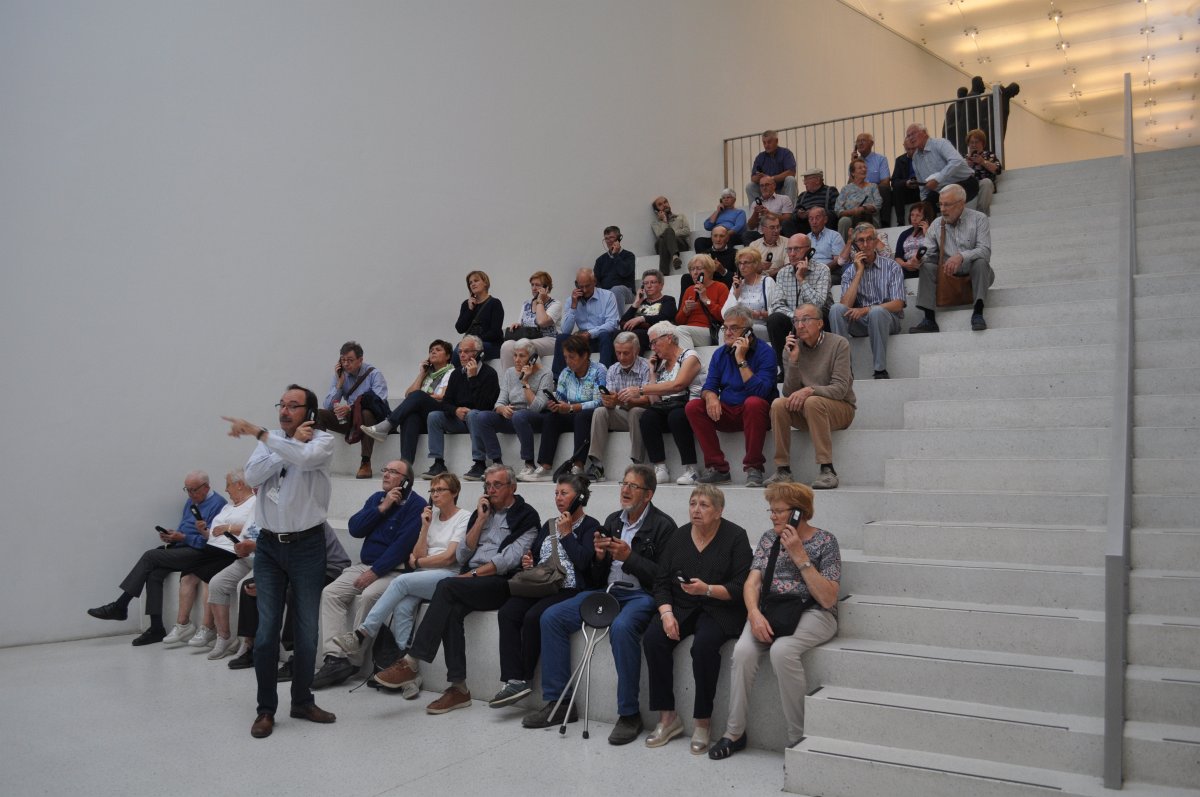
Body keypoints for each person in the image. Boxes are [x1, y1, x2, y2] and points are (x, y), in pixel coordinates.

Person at [525, 464, 677, 744]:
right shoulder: (613, 520)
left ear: (648, 494)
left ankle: (629, 714)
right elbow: (597, 575)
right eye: (624, 484)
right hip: (607, 591)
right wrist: (598, 557)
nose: (625, 490)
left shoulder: (663, 526)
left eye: (633, 486)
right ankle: (559, 703)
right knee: (552, 617)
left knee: (622, 627)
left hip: (641, 595)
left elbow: (664, 578)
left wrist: (630, 558)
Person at [372, 465, 540, 714]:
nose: (491, 490)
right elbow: (462, 554)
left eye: (497, 485)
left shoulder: (526, 516)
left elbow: (507, 561)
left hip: (501, 582)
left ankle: (411, 661)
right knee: (450, 611)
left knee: (447, 586)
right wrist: (480, 520)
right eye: (487, 485)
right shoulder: (481, 513)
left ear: (512, 487)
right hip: (471, 579)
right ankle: (458, 688)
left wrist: (469, 576)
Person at [222, 384, 337, 739]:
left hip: (308, 546)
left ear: (309, 413)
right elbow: (252, 477)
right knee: (267, 631)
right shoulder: (270, 441)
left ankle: (302, 700)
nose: (284, 411)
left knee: (306, 631)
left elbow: (305, 459)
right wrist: (279, 447)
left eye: (293, 406)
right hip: (270, 546)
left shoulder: (323, 441)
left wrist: (266, 438)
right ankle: (265, 709)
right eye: (282, 405)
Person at [709, 482, 840, 758]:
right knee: (742, 652)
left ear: (798, 512)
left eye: (778, 511)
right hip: (771, 611)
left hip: (813, 613)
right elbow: (751, 583)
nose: (772, 516)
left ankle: (798, 739)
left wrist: (800, 555)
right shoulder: (769, 539)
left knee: (782, 651)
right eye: (771, 510)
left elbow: (828, 598)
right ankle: (734, 733)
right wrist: (754, 614)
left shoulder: (826, 542)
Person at [326, 472, 470, 697]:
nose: (435, 494)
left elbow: (449, 558)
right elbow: (418, 552)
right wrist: (425, 527)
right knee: (402, 608)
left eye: (440, 490)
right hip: (423, 575)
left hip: (446, 576)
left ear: (455, 492)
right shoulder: (430, 517)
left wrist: (420, 562)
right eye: (432, 490)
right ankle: (407, 672)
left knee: (401, 581)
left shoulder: (464, 517)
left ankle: (362, 632)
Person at [641, 485, 750, 755]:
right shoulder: (679, 536)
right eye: (692, 504)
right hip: (682, 606)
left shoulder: (736, 536)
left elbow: (741, 587)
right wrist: (666, 614)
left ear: (719, 511)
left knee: (703, 646)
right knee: (654, 637)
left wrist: (707, 589)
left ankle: (702, 722)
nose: (696, 510)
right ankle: (668, 718)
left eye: (704, 505)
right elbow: (661, 582)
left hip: (720, 608)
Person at [310, 458, 426, 688]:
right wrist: (382, 508)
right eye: (385, 470)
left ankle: (353, 660)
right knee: (331, 593)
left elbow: (401, 547)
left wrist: (374, 572)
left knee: (368, 596)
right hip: (365, 565)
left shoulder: (417, 505)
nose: (386, 474)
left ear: (406, 481)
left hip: (394, 571)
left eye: (393, 472)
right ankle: (335, 658)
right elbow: (355, 528)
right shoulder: (377, 499)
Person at [488, 474, 600, 708]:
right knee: (508, 612)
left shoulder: (591, 526)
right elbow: (538, 557)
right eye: (556, 493)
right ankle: (512, 679)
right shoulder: (549, 525)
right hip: (543, 585)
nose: (558, 498)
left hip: (569, 588)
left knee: (533, 616)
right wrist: (529, 562)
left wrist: (567, 534)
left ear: (580, 498)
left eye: (564, 493)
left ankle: (524, 677)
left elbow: (584, 563)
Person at [87, 471, 228, 646]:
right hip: (183, 548)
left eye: (194, 490)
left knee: (150, 556)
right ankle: (156, 627)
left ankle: (120, 606)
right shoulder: (191, 502)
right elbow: (185, 527)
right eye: (187, 490)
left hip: (201, 553)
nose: (190, 494)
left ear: (206, 487)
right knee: (154, 573)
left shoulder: (219, 504)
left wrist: (183, 538)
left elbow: (211, 540)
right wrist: (172, 536)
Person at [223, 525, 351, 672]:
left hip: (328, 568)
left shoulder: (307, 521)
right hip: (297, 568)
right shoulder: (277, 522)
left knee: (295, 592)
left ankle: (299, 658)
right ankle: (253, 647)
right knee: (248, 586)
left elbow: (303, 559)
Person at [165, 470, 259, 652]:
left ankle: (208, 628)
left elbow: (254, 527)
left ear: (240, 485)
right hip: (212, 547)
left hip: (229, 551)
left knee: (209, 577)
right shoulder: (228, 507)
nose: (226, 489)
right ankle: (182, 625)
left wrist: (228, 528)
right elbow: (214, 534)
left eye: (228, 485)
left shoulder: (254, 503)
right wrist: (204, 531)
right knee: (187, 575)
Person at [684, 304, 777, 487]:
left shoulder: (766, 352)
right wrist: (711, 397)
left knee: (754, 403)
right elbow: (709, 386)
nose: (727, 333)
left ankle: (754, 467)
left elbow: (761, 392)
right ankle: (718, 469)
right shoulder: (720, 354)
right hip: (728, 413)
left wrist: (741, 359)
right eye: (725, 328)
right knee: (693, 406)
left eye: (734, 328)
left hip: (757, 416)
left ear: (748, 331)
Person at [767, 304, 856, 490]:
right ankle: (783, 469)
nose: (800, 325)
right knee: (778, 404)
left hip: (840, 409)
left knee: (812, 401)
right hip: (808, 411)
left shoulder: (839, 344)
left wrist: (809, 390)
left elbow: (840, 389)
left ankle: (827, 469)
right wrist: (793, 361)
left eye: (806, 320)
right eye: (796, 321)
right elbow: (789, 393)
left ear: (820, 323)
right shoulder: (790, 349)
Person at [514, 334, 606, 482]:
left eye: (572, 357)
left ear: (585, 355)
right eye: (565, 357)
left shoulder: (599, 370)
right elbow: (561, 397)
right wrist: (556, 405)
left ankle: (578, 465)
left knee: (582, 416)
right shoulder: (566, 373)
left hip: (592, 414)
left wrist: (572, 407)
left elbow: (599, 402)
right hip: (571, 411)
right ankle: (545, 466)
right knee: (551, 417)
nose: (568, 361)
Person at [910, 184, 994, 333]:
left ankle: (978, 312)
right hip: (947, 276)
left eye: (947, 204)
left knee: (981, 262)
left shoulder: (979, 219)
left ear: (961, 203)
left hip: (974, 274)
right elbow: (929, 253)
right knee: (926, 266)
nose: (942, 209)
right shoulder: (936, 224)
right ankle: (929, 319)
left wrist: (961, 256)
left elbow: (985, 251)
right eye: (940, 204)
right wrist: (918, 261)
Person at [468, 338, 555, 477]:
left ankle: (529, 463)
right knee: (482, 416)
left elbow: (537, 407)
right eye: (515, 355)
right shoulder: (510, 372)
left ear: (532, 358)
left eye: (522, 356)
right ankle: (497, 463)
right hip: (513, 417)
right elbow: (499, 401)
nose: (517, 360)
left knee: (520, 416)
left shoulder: (546, 373)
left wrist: (525, 382)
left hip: (534, 418)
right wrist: (502, 409)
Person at [829, 223, 906, 380]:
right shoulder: (850, 272)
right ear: (855, 245)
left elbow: (898, 303)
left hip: (887, 319)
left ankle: (880, 370)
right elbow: (845, 305)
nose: (865, 244)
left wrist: (867, 309)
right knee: (836, 309)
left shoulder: (892, 266)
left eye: (869, 239)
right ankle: (844, 370)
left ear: (876, 241)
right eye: (861, 240)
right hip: (862, 321)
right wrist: (859, 272)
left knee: (876, 312)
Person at [634, 322, 706, 486]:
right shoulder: (661, 365)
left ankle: (692, 469)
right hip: (668, 407)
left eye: (654, 342)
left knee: (676, 416)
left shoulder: (690, 356)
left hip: (689, 406)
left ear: (668, 338)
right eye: (651, 344)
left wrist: (641, 389)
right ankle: (660, 467)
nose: (653, 348)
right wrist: (652, 372)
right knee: (647, 416)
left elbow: (678, 385)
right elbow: (655, 401)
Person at [359, 339, 454, 463]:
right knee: (410, 416)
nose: (433, 352)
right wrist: (422, 374)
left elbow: (443, 396)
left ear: (448, 356)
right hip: (425, 416)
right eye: (431, 350)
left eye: (438, 350)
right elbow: (408, 394)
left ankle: (388, 424)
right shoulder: (427, 375)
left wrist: (423, 397)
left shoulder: (452, 372)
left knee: (418, 395)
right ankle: (405, 464)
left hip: (440, 414)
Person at [421, 335, 501, 480]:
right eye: (460, 352)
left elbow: (485, 406)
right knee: (434, 416)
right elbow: (446, 403)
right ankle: (438, 463)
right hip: (459, 419)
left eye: (467, 351)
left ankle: (480, 463)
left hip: (477, 420)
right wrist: (455, 410)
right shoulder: (456, 373)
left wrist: (473, 378)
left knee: (474, 414)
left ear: (478, 354)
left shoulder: (489, 374)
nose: (462, 355)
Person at [583, 331, 653, 481]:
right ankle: (597, 464)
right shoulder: (613, 369)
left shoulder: (646, 366)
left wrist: (620, 401)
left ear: (636, 351)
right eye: (618, 353)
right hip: (621, 415)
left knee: (635, 411)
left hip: (643, 415)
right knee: (600, 411)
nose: (621, 357)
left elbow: (648, 399)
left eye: (626, 353)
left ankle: (638, 464)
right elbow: (610, 399)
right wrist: (608, 400)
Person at [316, 341, 389, 479]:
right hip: (352, 418)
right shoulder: (341, 376)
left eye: (350, 360)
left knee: (366, 413)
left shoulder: (374, 374)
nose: (346, 364)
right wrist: (339, 384)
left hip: (373, 419)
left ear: (360, 360)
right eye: (343, 360)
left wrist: (350, 408)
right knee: (320, 414)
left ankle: (365, 463)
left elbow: (379, 401)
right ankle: (318, 460)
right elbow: (328, 406)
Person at [766, 234, 832, 374]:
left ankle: (820, 369)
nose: (792, 254)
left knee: (817, 318)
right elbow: (777, 304)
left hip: (817, 318)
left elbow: (819, 304)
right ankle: (785, 370)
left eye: (796, 249)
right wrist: (796, 318)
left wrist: (802, 280)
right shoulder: (783, 273)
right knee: (774, 319)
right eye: (789, 250)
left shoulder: (822, 270)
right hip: (793, 318)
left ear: (809, 251)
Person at [553, 267, 619, 374]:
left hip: (600, 337)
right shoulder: (571, 300)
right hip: (582, 340)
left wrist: (590, 334)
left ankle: (604, 374)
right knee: (561, 338)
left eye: (587, 286)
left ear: (594, 282)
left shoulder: (608, 296)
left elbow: (612, 324)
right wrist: (573, 306)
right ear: (576, 285)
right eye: (580, 286)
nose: (584, 290)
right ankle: (558, 378)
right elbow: (565, 330)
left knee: (605, 335)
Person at [498, 271, 564, 371]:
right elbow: (522, 323)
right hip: (528, 338)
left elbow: (541, 322)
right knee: (507, 346)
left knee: (525, 345)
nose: (534, 288)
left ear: (546, 287)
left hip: (549, 339)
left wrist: (540, 301)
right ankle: (510, 378)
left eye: (537, 285)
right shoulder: (527, 304)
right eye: (532, 285)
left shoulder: (555, 304)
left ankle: (532, 378)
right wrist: (517, 325)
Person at [905, 123, 978, 207]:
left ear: (924, 133)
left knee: (948, 198)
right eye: (908, 136)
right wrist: (924, 204)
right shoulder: (915, 158)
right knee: (925, 208)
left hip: (965, 182)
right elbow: (923, 188)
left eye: (913, 133)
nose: (911, 138)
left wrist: (937, 179)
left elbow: (956, 161)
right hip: (942, 190)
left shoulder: (940, 143)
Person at [674, 255, 729, 349]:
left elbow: (725, 317)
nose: (695, 273)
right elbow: (679, 321)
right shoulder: (689, 289)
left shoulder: (721, 287)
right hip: (689, 331)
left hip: (711, 331)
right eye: (692, 269)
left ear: (709, 270)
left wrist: (706, 300)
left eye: (699, 269)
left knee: (680, 330)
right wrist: (685, 310)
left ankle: (689, 357)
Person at [724, 248, 776, 341]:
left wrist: (759, 315)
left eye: (746, 263)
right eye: (740, 263)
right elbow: (725, 314)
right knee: (723, 331)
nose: (742, 267)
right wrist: (736, 294)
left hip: (760, 325)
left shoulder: (768, 282)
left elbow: (777, 310)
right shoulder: (737, 284)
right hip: (738, 326)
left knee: (741, 330)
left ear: (756, 264)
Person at [619, 269, 677, 352]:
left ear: (661, 285)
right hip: (636, 333)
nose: (649, 286)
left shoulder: (668, 300)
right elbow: (623, 322)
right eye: (646, 283)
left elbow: (665, 317)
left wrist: (641, 319)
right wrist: (636, 303)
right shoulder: (640, 302)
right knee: (615, 334)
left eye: (652, 282)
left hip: (654, 335)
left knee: (635, 336)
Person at [455, 270, 505, 361]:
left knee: (470, 351)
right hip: (469, 345)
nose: (473, 284)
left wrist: (474, 341)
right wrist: (470, 310)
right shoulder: (466, 304)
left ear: (485, 283)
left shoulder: (495, 303)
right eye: (470, 283)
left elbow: (495, 332)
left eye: (476, 281)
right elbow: (460, 328)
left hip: (491, 344)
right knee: (456, 352)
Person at [834, 158, 883, 241]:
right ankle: (843, 246)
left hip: (869, 217)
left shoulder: (873, 186)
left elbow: (878, 204)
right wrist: (852, 212)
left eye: (865, 167)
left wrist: (864, 208)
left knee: (865, 217)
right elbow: (838, 209)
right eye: (860, 168)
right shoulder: (846, 189)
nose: (864, 169)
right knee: (844, 221)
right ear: (853, 173)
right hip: (851, 218)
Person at [746, 130, 798, 203]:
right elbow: (753, 178)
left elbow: (791, 172)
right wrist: (760, 178)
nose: (766, 145)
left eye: (769, 142)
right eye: (764, 143)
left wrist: (771, 178)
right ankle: (758, 209)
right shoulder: (760, 157)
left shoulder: (786, 153)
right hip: (766, 191)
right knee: (750, 186)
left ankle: (790, 209)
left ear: (776, 141)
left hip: (783, 190)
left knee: (790, 179)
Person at [853, 131, 892, 226]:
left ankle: (884, 223)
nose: (860, 143)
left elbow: (886, 182)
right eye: (858, 141)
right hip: (859, 192)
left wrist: (870, 190)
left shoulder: (880, 159)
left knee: (884, 189)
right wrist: (853, 164)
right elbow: (850, 184)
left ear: (871, 143)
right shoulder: (854, 163)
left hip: (876, 191)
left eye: (863, 140)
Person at [595, 226, 637, 309]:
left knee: (616, 290)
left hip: (625, 292)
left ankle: (617, 318)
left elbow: (624, 272)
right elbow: (596, 280)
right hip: (607, 293)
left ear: (619, 238)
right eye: (606, 238)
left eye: (611, 237)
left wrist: (615, 255)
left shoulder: (629, 256)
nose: (609, 241)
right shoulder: (600, 260)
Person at [787, 168, 838, 236]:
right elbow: (794, 215)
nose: (804, 183)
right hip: (806, 225)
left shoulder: (831, 191)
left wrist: (817, 212)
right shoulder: (802, 195)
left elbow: (836, 212)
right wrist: (799, 215)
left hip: (823, 224)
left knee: (825, 216)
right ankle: (796, 241)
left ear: (817, 180)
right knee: (787, 223)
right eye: (804, 180)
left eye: (807, 179)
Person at [893, 201, 936, 279]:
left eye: (918, 215)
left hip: (925, 266)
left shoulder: (933, 232)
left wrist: (927, 233)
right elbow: (898, 256)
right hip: (906, 268)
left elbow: (935, 251)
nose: (914, 218)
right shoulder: (904, 234)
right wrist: (905, 264)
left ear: (926, 218)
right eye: (912, 215)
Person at [965, 128, 1003, 216]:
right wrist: (966, 166)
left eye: (976, 142)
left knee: (986, 182)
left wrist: (983, 162)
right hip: (968, 185)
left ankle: (980, 214)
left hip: (983, 184)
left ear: (982, 143)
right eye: (971, 142)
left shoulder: (989, 155)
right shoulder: (963, 158)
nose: (974, 145)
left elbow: (998, 170)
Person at [744, 176, 793, 242]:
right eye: (762, 186)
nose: (764, 188)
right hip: (761, 234)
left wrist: (769, 213)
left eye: (767, 185)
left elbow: (787, 219)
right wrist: (755, 213)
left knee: (787, 224)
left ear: (774, 185)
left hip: (778, 232)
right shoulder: (755, 203)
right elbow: (751, 226)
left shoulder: (784, 199)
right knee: (746, 235)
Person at [651, 196, 691, 274]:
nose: (664, 205)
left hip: (681, 245)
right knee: (661, 240)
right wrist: (664, 221)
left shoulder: (680, 217)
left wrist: (671, 233)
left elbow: (686, 231)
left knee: (666, 234)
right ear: (656, 211)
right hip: (663, 247)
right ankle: (675, 257)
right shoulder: (655, 224)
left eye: (665, 202)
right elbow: (659, 235)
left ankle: (663, 273)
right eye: (660, 204)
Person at [891, 143, 922, 225]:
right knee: (897, 188)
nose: (911, 151)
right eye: (908, 149)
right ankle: (900, 222)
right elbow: (894, 181)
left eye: (913, 149)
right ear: (904, 147)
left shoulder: (924, 157)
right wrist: (906, 182)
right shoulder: (900, 160)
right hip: (907, 190)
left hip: (921, 187)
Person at [805, 208, 844, 273]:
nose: (814, 222)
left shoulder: (834, 236)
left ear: (825, 219)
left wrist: (822, 271)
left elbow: (838, 260)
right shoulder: (806, 238)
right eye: (811, 219)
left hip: (829, 272)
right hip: (808, 272)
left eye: (817, 218)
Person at [747, 213, 787, 277]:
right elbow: (749, 268)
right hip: (758, 279)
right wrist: (759, 268)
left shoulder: (787, 243)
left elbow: (789, 266)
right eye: (772, 227)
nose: (776, 230)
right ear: (763, 229)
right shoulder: (754, 245)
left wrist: (770, 273)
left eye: (778, 227)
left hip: (780, 277)